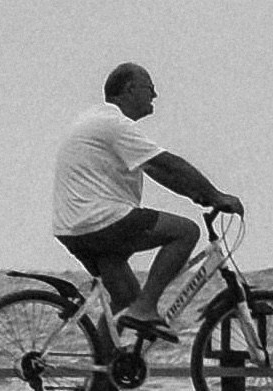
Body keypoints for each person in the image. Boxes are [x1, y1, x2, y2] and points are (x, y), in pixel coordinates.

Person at [50, 62, 239, 373]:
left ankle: (99, 382)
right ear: (129, 90)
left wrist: (198, 195)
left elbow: (158, 172)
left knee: (123, 297)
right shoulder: (114, 124)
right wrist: (217, 195)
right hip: (99, 220)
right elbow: (168, 162)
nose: (155, 94)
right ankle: (147, 308)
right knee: (186, 232)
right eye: (149, 87)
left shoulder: (97, 121)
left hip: (73, 226)